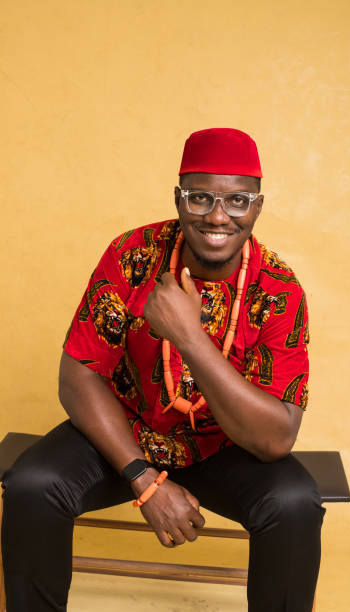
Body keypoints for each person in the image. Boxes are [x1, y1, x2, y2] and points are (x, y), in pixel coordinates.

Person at [1, 128, 326, 612]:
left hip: (225, 446)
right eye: (200, 197)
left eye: (238, 201)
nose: (218, 216)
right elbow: (78, 375)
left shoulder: (279, 290)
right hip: (126, 436)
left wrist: (189, 336)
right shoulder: (132, 254)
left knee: (295, 504)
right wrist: (145, 480)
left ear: (257, 207)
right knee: (32, 485)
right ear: (179, 199)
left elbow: (276, 439)